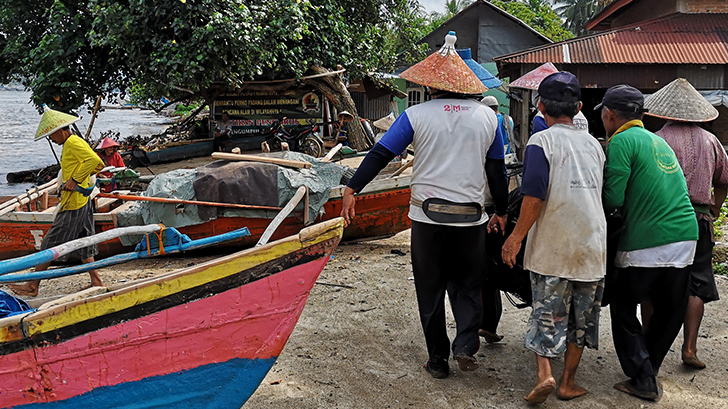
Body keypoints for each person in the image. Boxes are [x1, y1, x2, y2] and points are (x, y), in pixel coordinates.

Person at [340, 31, 509, 379]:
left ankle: (438, 361)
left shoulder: (415, 115)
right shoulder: (488, 118)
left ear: (431, 85)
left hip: (427, 217)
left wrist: (352, 188)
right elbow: (496, 170)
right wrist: (502, 211)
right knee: (467, 283)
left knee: (429, 289)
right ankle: (465, 343)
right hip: (470, 218)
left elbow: (381, 153)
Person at [501, 72, 606, 404]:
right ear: (578, 107)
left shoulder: (540, 142)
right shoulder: (594, 145)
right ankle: (568, 383)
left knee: (547, 311)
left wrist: (515, 238)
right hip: (592, 245)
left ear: (540, 106)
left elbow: (533, 196)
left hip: (553, 244)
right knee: (582, 319)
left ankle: (545, 374)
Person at [599, 85, 698, 401]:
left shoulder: (621, 141)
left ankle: (643, 379)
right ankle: (648, 367)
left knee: (624, 309)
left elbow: (613, 198)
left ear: (609, 115)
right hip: (685, 236)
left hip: (646, 241)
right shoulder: (659, 141)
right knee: (670, 310)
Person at [644, 78, 728, 370]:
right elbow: (723, 181)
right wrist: (715, 207)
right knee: (697, 284)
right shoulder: (711, 141)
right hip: (699, 220)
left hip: (662, 220)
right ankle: (689, 349)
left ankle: (647, 344)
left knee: (654, 281)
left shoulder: (657, 140)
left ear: (664, 111)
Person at [9, 109, 105, 297]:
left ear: (61, 130)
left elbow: (95, 160)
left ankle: (32, 285)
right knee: (84, 242)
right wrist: (80, 179)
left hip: (73, 203)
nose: (50, 139)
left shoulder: (73, 142)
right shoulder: (73, 143)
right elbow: (94, 164)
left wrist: (75, 180)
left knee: (49, 244)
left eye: (51, 135)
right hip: (82, 200)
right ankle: (96, 280)